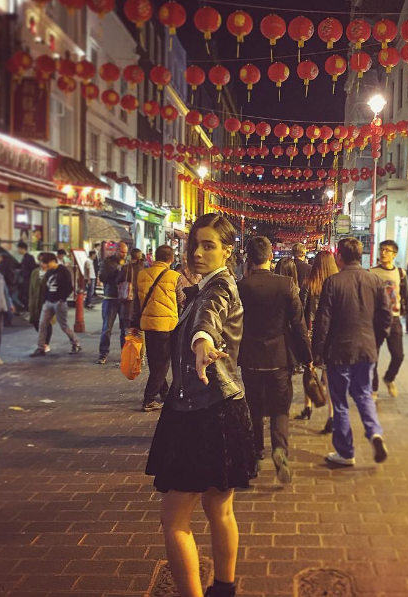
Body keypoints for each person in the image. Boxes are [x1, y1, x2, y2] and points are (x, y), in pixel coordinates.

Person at [146, 213, 256, 597]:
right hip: (224, 407)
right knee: (218, 509)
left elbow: (208, 319)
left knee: (174, 518)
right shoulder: (208, 285)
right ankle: (224, 589)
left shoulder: (219, 287)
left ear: (227, 251)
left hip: (201, 412)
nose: (197, 252)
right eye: (195, 244)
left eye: (208, 245)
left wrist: (203, 342)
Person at [238, 237, 312, 484]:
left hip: (250, 357)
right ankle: (280, 449)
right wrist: (307, 357)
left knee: (254, 408)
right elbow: (298, 324)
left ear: (249, 259)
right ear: (270, 256)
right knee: (280, 408)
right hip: (279, 356)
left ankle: (256, 454)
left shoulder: (241, 286)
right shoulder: (286, 284)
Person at [312, 237, 391, 467]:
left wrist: (317, 352)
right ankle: (374, 433)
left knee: (340, 402)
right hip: (366, 348)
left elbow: (323, 321)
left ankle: (346, 452)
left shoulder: (333, 282)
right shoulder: (375, 281)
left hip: (340, 351)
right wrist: (376, 340)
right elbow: (386, 316)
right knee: (364, 393)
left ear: (340, 257)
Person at [129, 245, 186, 413]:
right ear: (171, 259)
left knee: (155, 363)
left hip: (147, 324)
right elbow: (181, 299)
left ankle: (164, 392)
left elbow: (136, 303)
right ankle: (149, 399)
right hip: (166, 325)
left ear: (155, 257)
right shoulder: (174, 276)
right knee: (162, 365)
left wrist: (134, 323)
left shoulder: (142, 275)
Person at [370, 240, 408, 400]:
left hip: (394, 319)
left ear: (394, 254)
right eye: (381, 249)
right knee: (373, 357)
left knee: (398, 356)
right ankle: (373, 389)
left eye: (387, 250)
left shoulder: (400, 273)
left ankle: (389, 378)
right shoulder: (372, 272)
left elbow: (407, 296)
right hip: (376, 319)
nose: (383, 253)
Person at [298, 250, 338, 433]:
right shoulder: (337, 284)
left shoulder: (309, 284)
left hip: (311, 334)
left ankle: (308, 406)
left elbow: (301, 311)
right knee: (329, 376)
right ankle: (331, 415)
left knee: (310, 371)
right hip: (330, 334)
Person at [30, 253, 81, 357]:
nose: (46, 265)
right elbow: (46, 287)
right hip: (48, 302)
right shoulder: (49, 272)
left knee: (64, 326)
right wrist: (45, 299)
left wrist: (61, 299)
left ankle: (75, 343)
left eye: (47, 263)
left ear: (53, 261)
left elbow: (69, 287)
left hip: (59, 303)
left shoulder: (63, 271)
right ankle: (41, 348)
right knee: (42, 324)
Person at [97, 242, 129, 364]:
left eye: (125, 252)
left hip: (124, 299)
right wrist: (116, 271)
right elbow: (102, 278)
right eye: (122, 252)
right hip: (110, 297)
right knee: (107, 328)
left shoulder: (127, 262)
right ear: (116, 250)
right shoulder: (107, 262)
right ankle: (103, 353)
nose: (124, 254)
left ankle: (125, 354)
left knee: (125, 329)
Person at [28, 253, 52, 354]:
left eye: (44, 262)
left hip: (46, 301)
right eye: (40, 261)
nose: (42, 263)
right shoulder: (35, 272)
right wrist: (30, 302)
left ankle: (45, 344)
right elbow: (31, 288)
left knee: (46, 323)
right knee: (35, 321)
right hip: (35, 301)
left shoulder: (51, 273)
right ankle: (43, 340)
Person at [17, 241, 37, 310]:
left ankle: (28, 307)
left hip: (28, 279)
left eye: (19, 248)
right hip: (25, 279)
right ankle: (26, 307)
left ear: (23, 249)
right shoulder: (25, 257)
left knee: (25, 294)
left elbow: (32, 268)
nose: (18, 250)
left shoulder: (29, 257)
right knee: (22, 294)